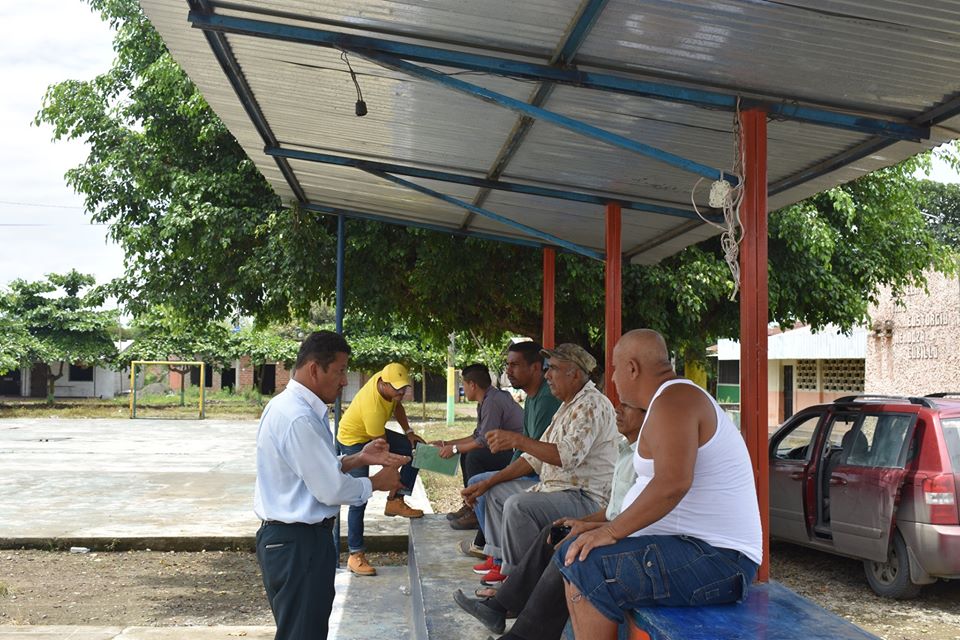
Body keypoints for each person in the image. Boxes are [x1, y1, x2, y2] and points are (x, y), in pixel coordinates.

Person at [556, 329, 762, 640]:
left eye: (615, 368)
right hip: (693, 549)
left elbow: (672, 483)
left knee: (588, 565)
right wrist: (601, 527)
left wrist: (610, 532)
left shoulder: (675, 400)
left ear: (632, 368)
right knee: (571, 551)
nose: (613, 378)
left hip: (721, 560)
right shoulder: (665, 402)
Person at [254, 330, 409, 640]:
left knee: (302, 630)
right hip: (299, 543)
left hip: (295, 541)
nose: (343, 381)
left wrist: (359, 458)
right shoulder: (298, 417)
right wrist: (376, 483)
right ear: (314, 369)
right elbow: (330, 490)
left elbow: (311, 469)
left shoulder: (289, 407)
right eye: (339, 371)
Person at [453, 402, 646, 639]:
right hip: (607, 520)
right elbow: (615, 510)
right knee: (556, 531)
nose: (617, 410)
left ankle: (523, 633)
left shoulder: (645, 458)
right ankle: (499, 607)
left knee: (570, 546)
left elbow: (635, 519)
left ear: (648, 416)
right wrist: (582, 522)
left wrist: (592, 528)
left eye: (628, 406)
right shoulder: (625, 449)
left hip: (611, 520)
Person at [461, 343, 618, 584]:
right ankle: (502, 562)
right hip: (557, 489)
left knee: (518, 506)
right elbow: (532, 459)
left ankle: (518, 584)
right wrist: (488, 483)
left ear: (575, 374)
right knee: (492, 492)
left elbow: (566, 456)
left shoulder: (591, 404)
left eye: (553, 369)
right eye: (547, 368)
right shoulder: (567, 406)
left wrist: (517, 440)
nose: (547, 376)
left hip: (585, 497)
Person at [451, 341, 561, 578]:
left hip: (547, 477)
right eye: (507, 365)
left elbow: (534, 456)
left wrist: (495, 479)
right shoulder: (532, 398)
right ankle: (496, 554)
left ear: (535, 367)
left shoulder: (546, 400)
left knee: (485, 480)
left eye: (514, 365)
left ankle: (503, 560)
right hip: (531, 465)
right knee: (479, 480)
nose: (508, 371)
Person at [336, 362, 426, 576]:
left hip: (371, 433)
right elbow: (383, 451)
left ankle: (396, 501)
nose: (401, 393)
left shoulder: (388, 382)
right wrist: (391, 474)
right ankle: (355, 554)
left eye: (404, 388)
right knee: (359, 496)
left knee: (415, 449)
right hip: (353, 440)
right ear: (384, 384)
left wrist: (409, 432)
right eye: (397, 389)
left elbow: (398, 406)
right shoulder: (373, 408)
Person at [430, 362, 523, 529]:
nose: (463, 389)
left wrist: (454, 449)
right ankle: (470, 504)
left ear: (472, 385)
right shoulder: (486, 400)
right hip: (507, 450)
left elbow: (483, 442)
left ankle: (477, 509)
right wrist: (447, 444)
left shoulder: (492, 401)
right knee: (467, 453)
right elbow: (477, 436)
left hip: (519, 456)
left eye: (463, 384)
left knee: (474, 455)